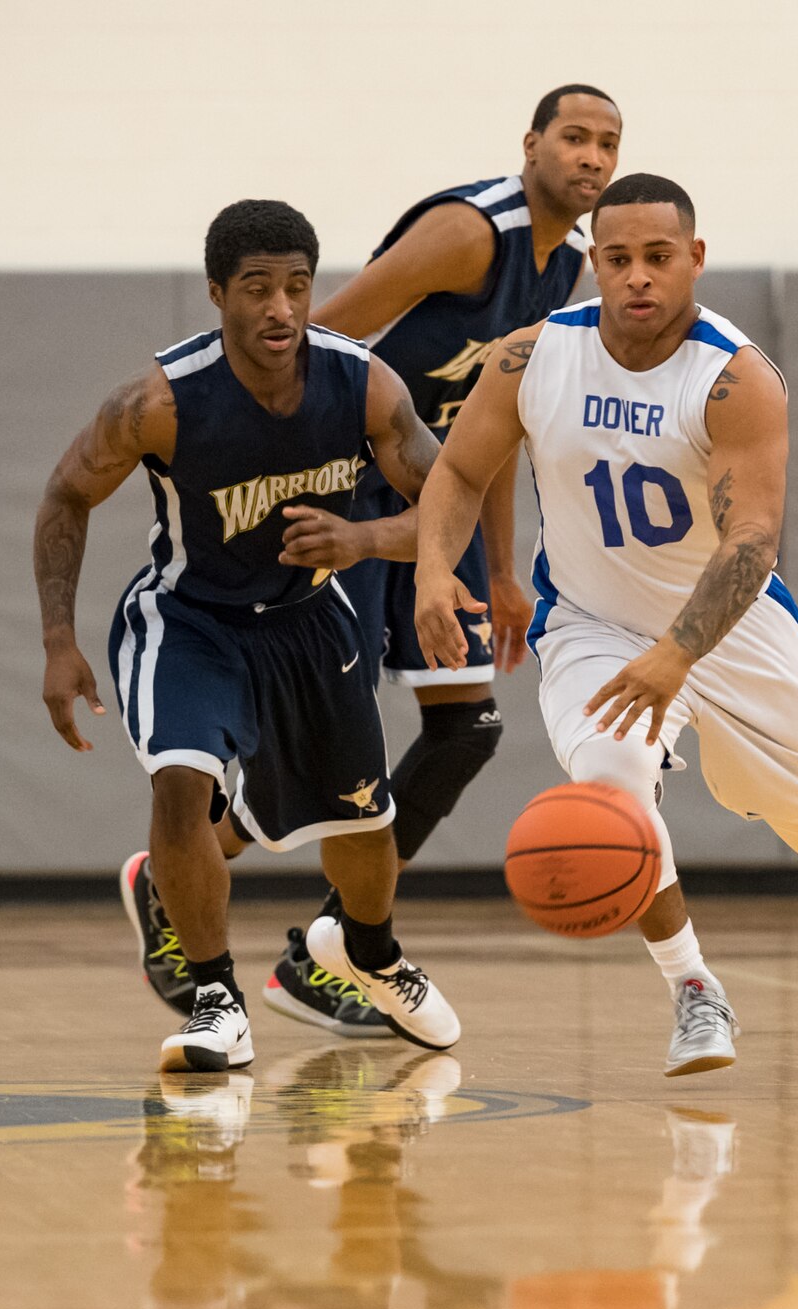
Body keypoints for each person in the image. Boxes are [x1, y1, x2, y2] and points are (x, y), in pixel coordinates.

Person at [411, 173, 798, 1078]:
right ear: (593, 262)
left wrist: (678, 653)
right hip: (592, 621)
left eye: (658, 258)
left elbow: (753, 540)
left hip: (730, 619)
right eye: (618, 258)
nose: (638, 277)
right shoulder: (530, 357)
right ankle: (693, 990)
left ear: (695, 260)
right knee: (613, 790)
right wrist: (434, 574)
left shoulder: (734, 378)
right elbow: (457, 473)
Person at [193, 84, 618, 1038]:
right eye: (575, 137)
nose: (591, 157)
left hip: (436, 495)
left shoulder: (570, 271)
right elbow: (314, 338)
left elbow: (489, 429)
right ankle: (187, 861)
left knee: (466, 730)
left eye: (608, 144)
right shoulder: (470, 235)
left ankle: (331, 951)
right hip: (348, 480)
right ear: (533, 144)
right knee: (327, 743)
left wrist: (505, 569)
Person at [36, 199, 462, 1071]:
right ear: (217, 293)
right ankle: (215, 996)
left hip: (308, 620)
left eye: (297, 287)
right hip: (190, 621)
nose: (280, 308)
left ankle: (370, 953)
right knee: (181, 786)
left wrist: (365, 542)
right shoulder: (159, 404)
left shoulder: (365, 383)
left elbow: (446, 497)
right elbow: (66, 495)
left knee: (362, 827)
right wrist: (57, 640)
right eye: (258, 289)